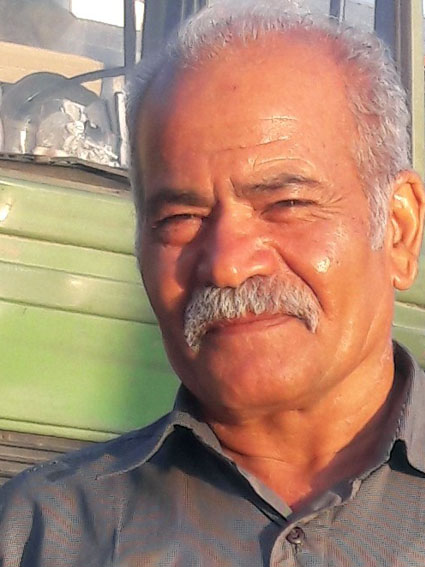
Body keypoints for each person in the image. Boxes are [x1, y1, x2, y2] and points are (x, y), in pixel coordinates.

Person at [1, 1, 425, 565]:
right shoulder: (39, 535)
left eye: (286, 204)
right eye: (181, 218)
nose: (227, 265)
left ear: (398, 230)